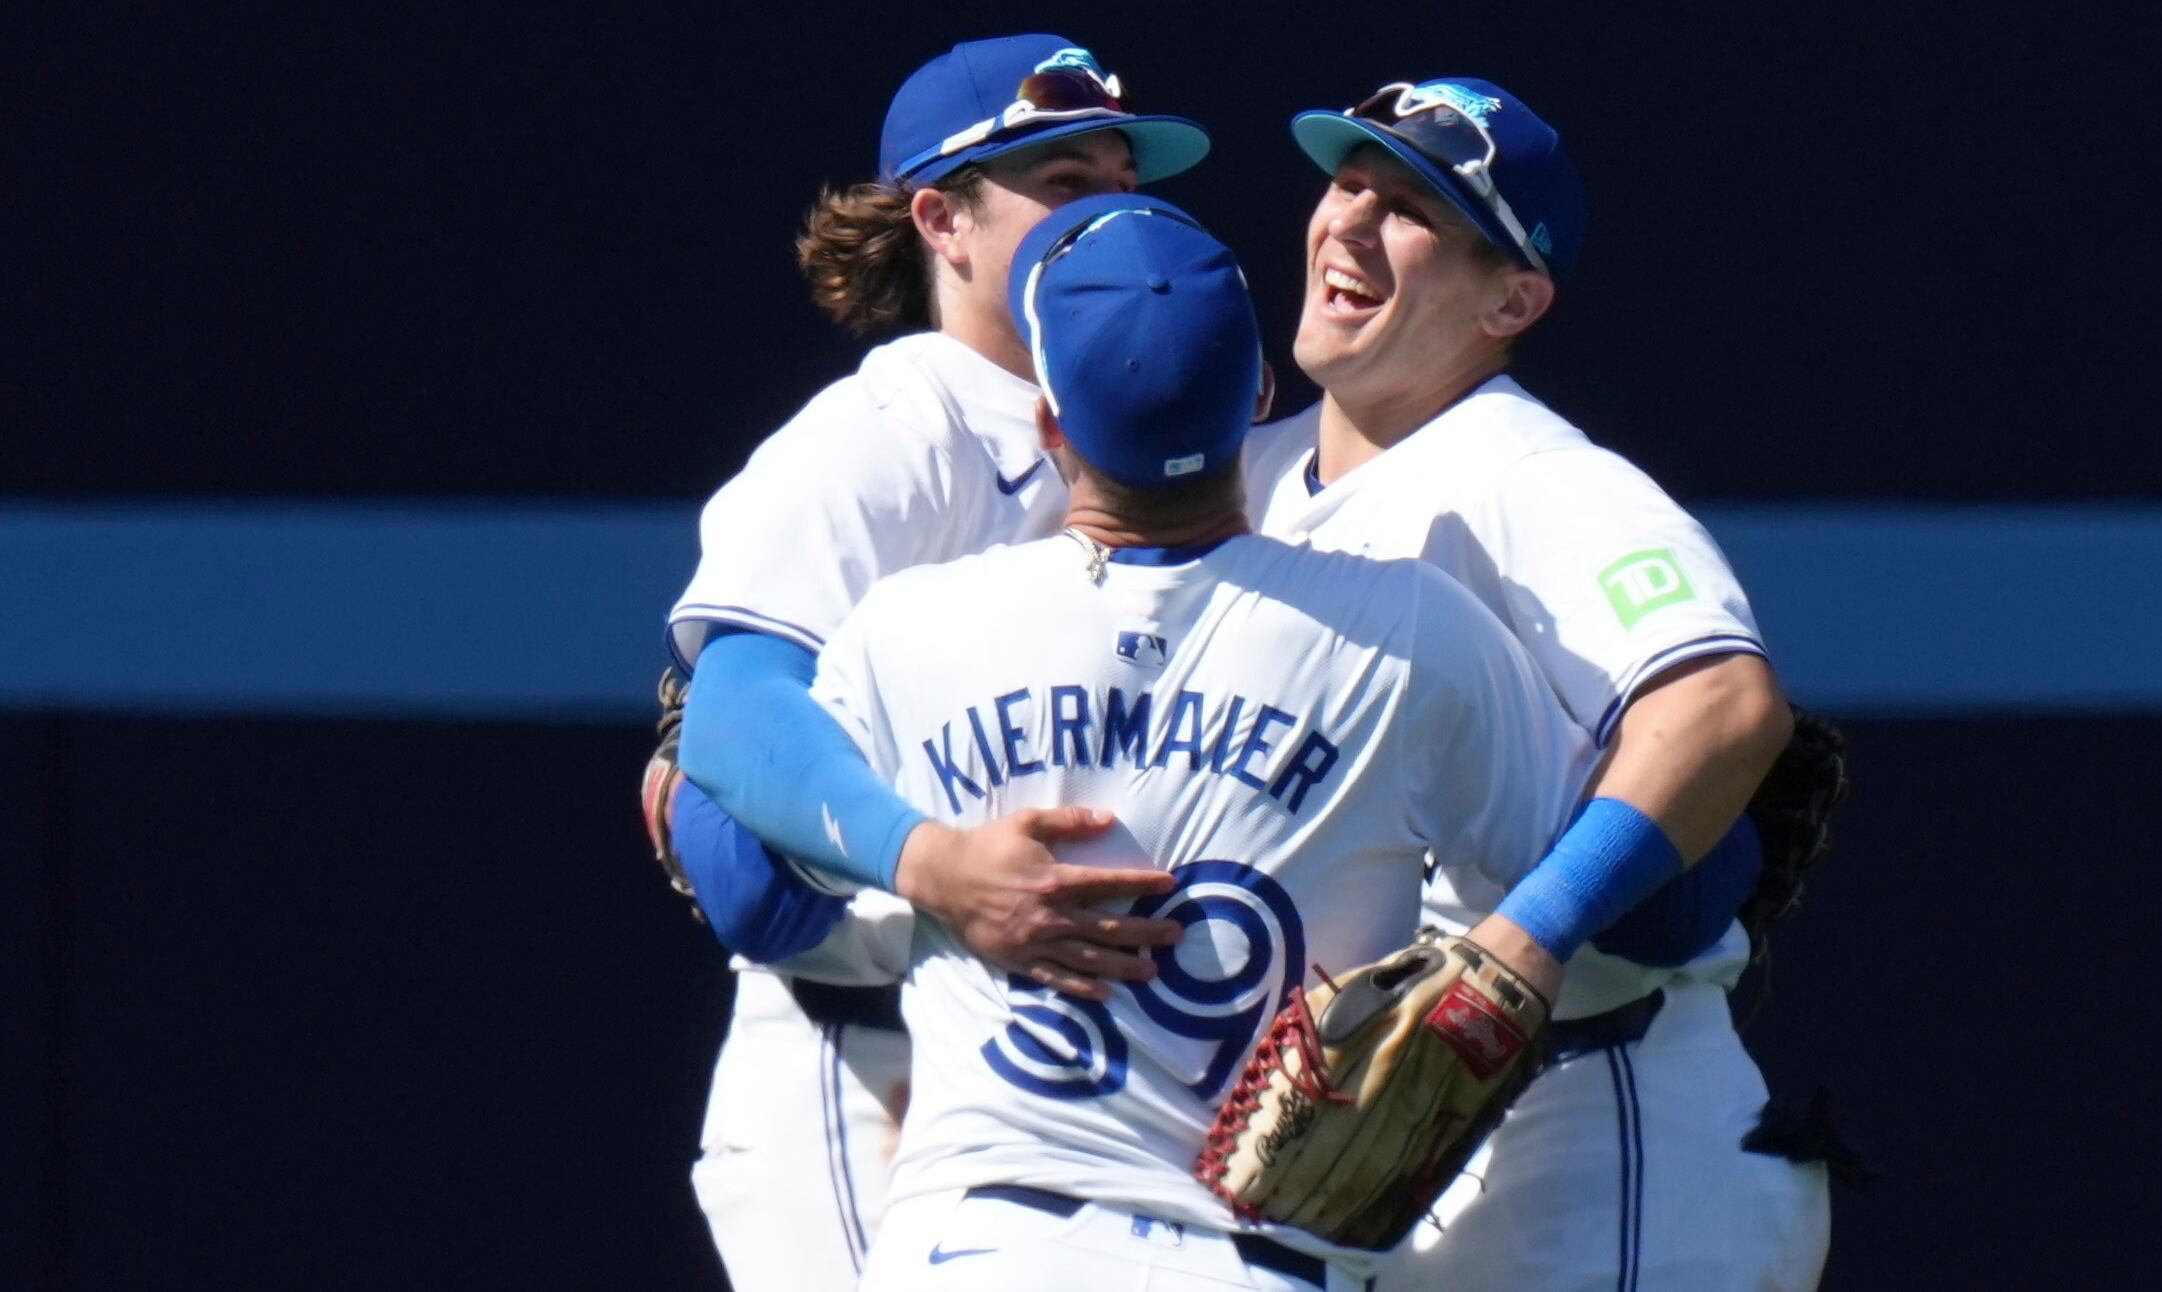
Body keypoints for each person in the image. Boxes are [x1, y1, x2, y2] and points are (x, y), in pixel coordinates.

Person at [810, 193, 1595, 1292]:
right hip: (1254, 1262)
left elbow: (748, 867)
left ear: (1049, 425)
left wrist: (922, 863)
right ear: (1260, 397)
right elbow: (1662, 898)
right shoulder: (1411, 632)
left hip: (972, 1248)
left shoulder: (907, 630)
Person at [1238, 77, 1831, 1289]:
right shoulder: (1245, 477)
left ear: (1510, 298)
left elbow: (1722, 704)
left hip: (1594, 1124)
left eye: (1410, 209)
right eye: (1347, 182)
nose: (1350, 222)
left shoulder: (1530, 474)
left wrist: (1529, 934)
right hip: (1352, 1152)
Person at [648, 35, 1214, 1290]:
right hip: (866, 1069)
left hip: (1089, 1074)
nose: (1110, 216)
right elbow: (738, 812)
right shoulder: (886, 435)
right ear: (940, 220)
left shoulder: (1178, 420)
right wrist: (933, 869)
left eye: (1126, 184)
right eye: (1064, 185)